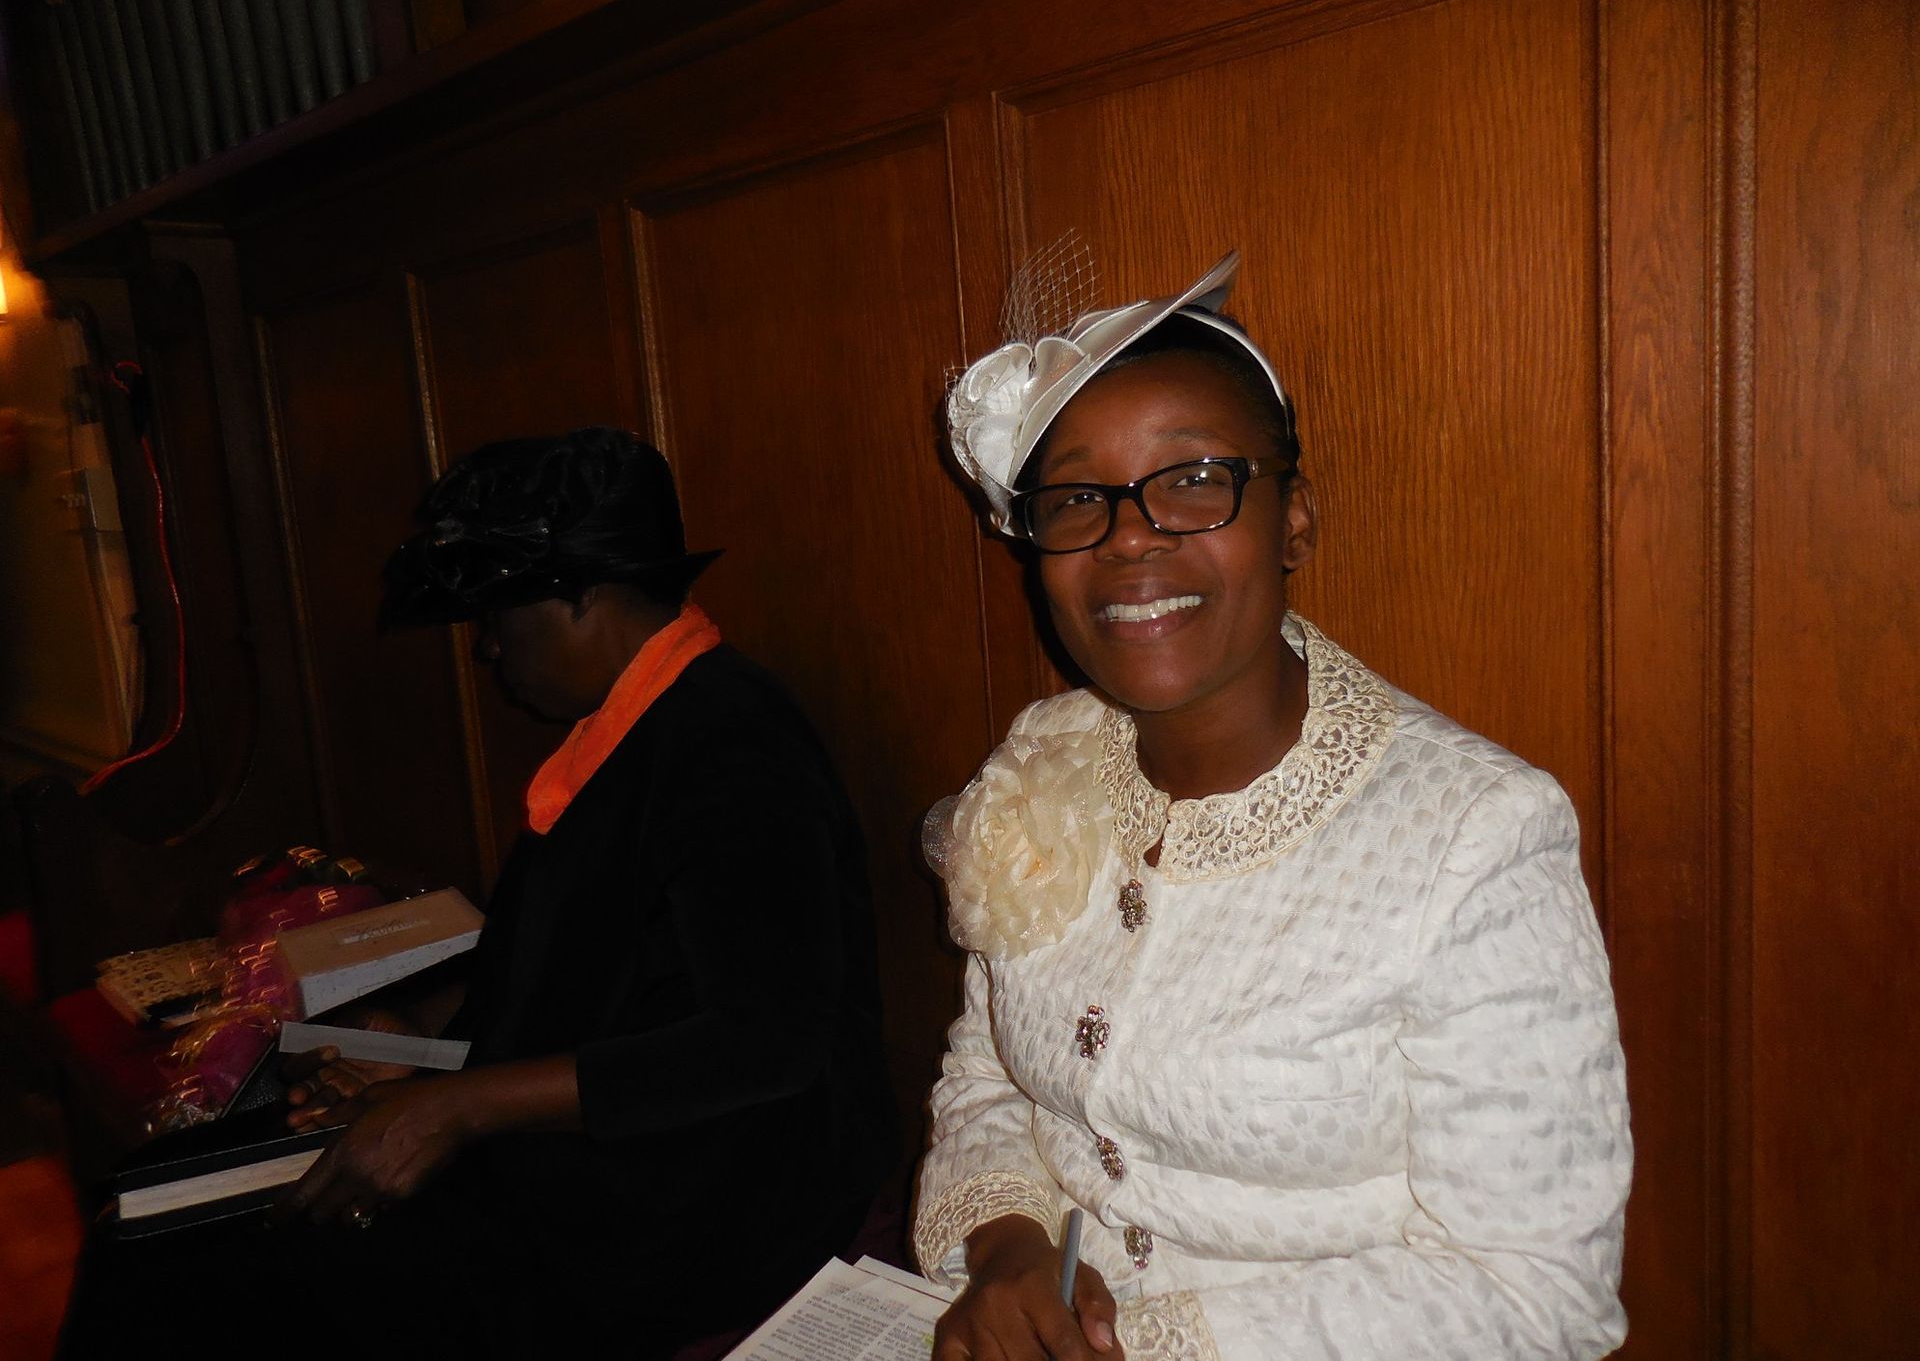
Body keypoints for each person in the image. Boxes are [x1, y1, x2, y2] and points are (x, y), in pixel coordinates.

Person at [914, 251, 1632, 1360]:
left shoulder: (1474, 837)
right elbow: (987, 1074)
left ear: (1294, 518)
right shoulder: (1038, 762)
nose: (1131, 536)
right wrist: (1006, 1241)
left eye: (1193, 478)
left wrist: (1146, 1346)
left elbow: (1533, 1292)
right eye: (1075, 498)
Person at [61, 427, 895, 1357]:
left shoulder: (734, 746)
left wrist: (453, 1106)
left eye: (500, 615)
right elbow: (581, 968)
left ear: (580, 594)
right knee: (146, 1202)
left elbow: (761, 1044)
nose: (490, 649)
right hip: (600, 1162)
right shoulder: (638, 725)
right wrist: (418, 1043)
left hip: (704, 1203)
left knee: (210, 1272)